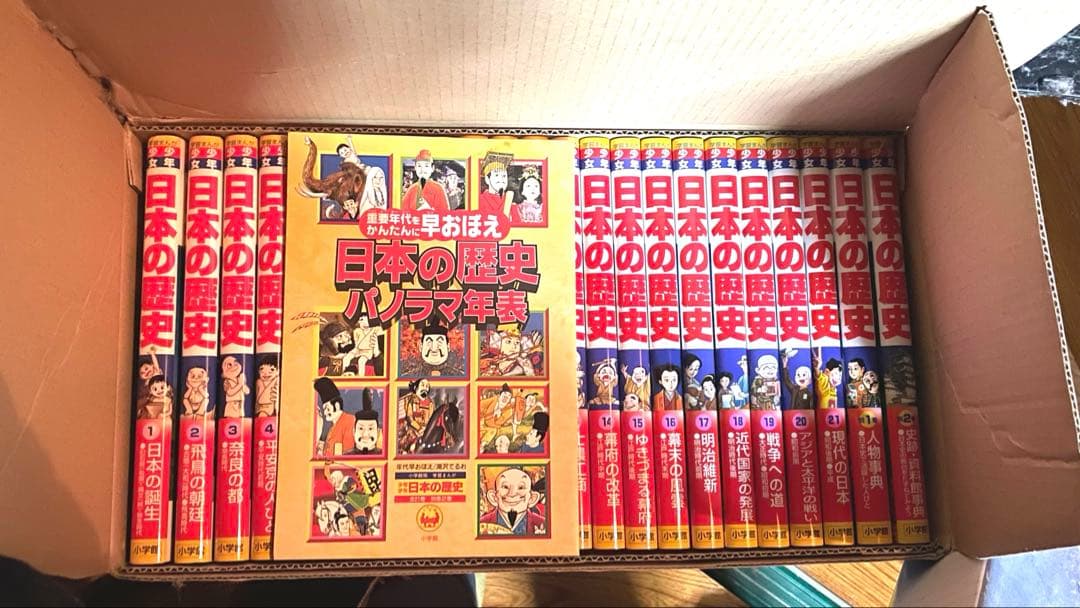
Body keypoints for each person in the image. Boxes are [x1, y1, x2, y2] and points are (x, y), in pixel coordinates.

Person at [479, 467, 545, 536]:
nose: (512, 494)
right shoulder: (481, 524)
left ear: (532, 498)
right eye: (505, 487)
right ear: (493, 497)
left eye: (521, 487)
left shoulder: (543, 523)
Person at [316, 377, 355, 457]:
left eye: (327, 408)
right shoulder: (332, 427)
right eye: (324, 409)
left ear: (337, 406)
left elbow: (348, 453)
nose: (325, 413)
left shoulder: (350, 421)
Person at [397, 378, 434, 454]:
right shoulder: (410, 399)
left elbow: (430, 418)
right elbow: (410, 418)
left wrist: (426, 429)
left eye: (427, 386)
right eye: (422, 385)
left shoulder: (430, 403)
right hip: (410, 430)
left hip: (425, 431)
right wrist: (419, 428)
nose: (425, 388)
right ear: (416, 388)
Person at [345, 388, 381, 456]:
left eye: (370, 428)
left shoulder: (383, 455)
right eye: (361, 428)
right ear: (354, 431)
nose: (365, 434)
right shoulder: (346, 457)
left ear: (378, 432)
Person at [477, 153, 513, 217]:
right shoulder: (479, 200)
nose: (501, 179)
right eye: (496, 175)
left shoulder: (510, 199)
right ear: (487, 179)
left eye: (504, 176)